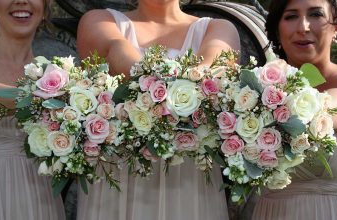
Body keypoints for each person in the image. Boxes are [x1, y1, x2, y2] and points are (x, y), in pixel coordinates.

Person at [76, 0, 240, 219]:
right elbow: (122, 59)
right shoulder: (98, 21)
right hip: (118, 178)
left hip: (189, 181)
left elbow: (207, 77)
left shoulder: (219, 29)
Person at [251, 0, 337, 219]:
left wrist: (280, 97)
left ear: (335, 27)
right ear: (276, 30)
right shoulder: (250, 91)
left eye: (315, 14)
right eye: (291, 16)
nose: (303, 27)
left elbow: (334, 108)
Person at [0, 0, 65, 219]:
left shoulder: (56, 76)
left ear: (45, 9)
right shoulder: (58, 90)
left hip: (38, 193)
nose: (21, 1)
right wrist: (44, 98)